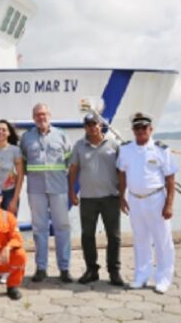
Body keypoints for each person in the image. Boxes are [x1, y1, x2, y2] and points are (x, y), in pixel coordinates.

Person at [117, 112, 177, 294]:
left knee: (162, 240)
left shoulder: (161, 150)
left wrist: (169, 204)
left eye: (144, 127)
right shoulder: (126, 149)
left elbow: (170, 179)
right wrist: (122, 197)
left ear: (151, 129)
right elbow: (122, 173)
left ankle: (164, 278)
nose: (140, 131)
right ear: (133, 130)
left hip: (156, 199)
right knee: (140, 240)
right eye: (137, 128)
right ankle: (141, 276)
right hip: (135, 200)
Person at [68, 113, 124, 286]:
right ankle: (91, 269)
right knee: (87, 236)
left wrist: (123, 195)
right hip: (88, 199)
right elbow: (73, 170)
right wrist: (71, 192)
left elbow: (122, 171)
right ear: (85, 127)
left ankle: (114, 271)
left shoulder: (114, 144)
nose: (92, 127)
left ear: (101, 125)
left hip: (111, 197)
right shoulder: (79, 146)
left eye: (95, 124)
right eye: (88, 124)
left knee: (114, 236)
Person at [20, 103, 73, 283]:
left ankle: (64, 268)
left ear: (49, 115)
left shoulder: (62, 135)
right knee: (39, 229)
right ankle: (41, 268)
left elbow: (69, 162)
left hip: (58, 188)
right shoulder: (26, 137)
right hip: (36, 189)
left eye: (44, 114)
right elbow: (24, 165)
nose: (41, 117)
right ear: (33, 117)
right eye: (37, 115)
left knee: (62, 228)